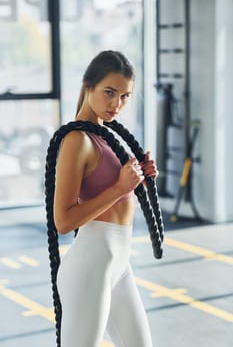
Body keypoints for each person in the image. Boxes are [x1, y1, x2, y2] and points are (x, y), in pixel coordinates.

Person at [54, 50, 159, 347]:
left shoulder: (106, 135)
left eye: (125, 96)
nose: (116, 104)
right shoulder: (77, 140)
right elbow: (63, 221)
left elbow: (123, 186)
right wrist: (119, 188)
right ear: (88, 86)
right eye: (109, 93)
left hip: (118, 263)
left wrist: (142, 175)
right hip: (91, 265)